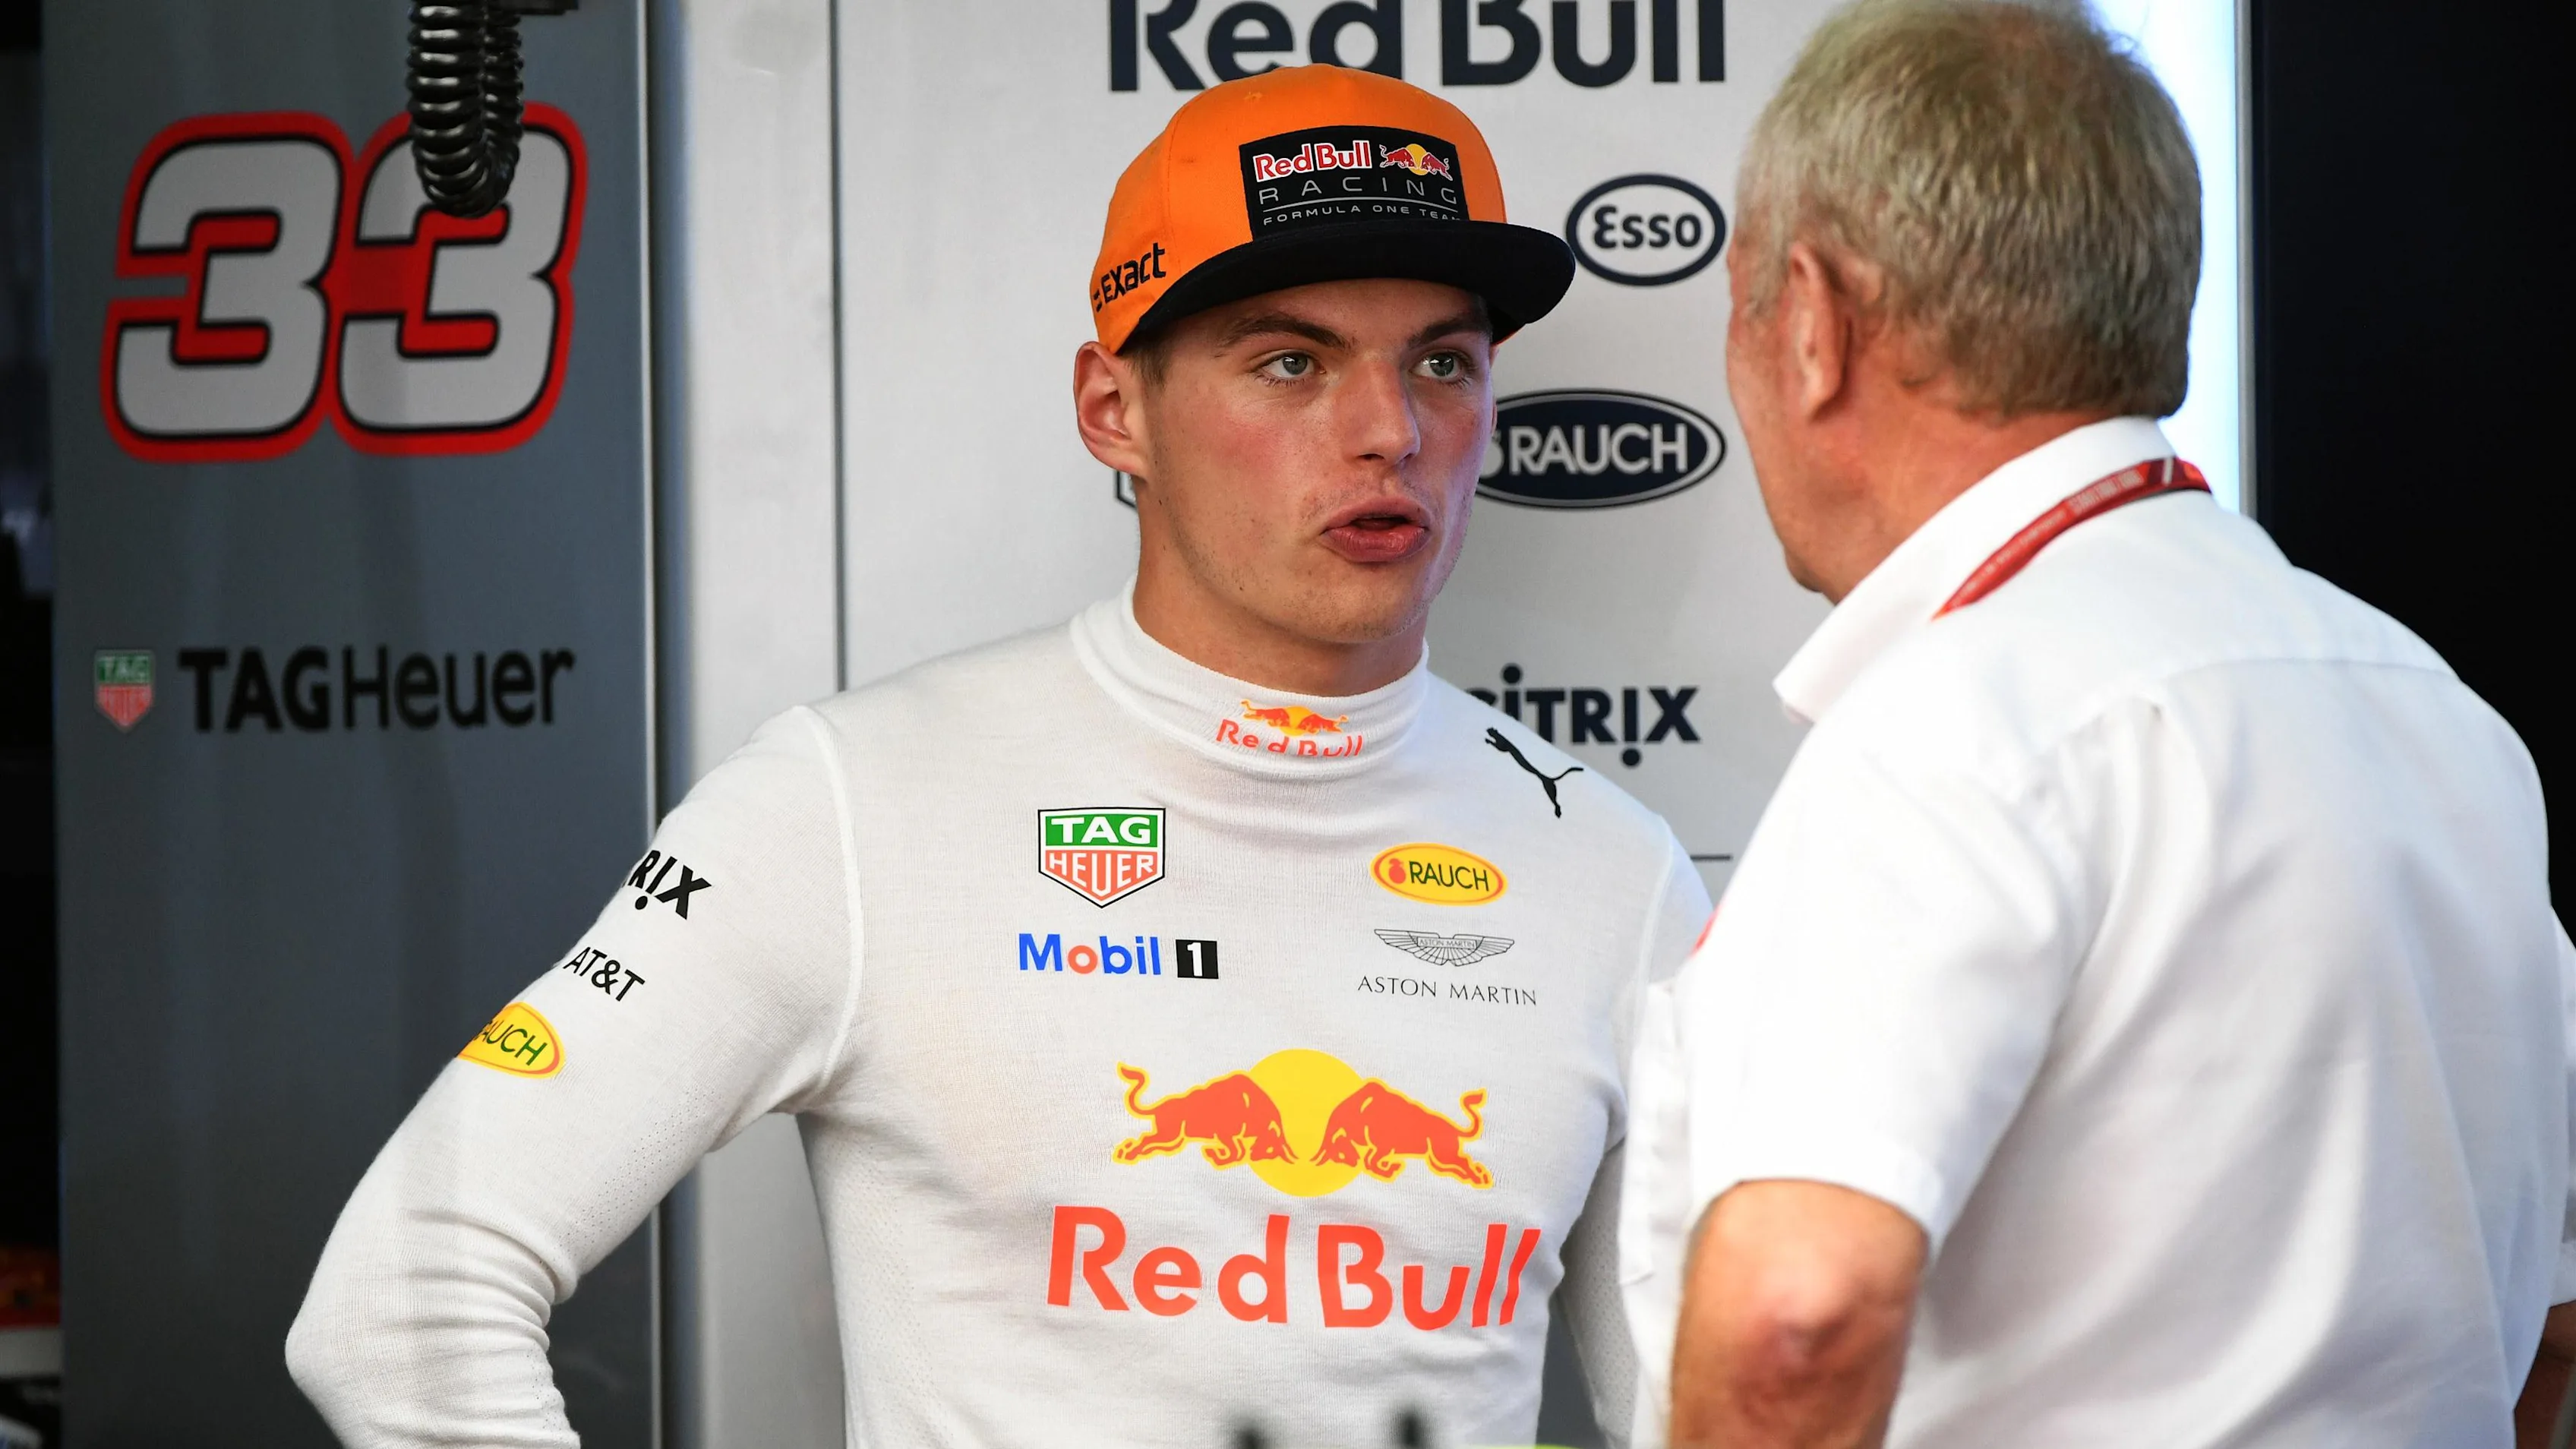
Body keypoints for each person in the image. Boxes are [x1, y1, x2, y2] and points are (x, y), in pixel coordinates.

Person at [287, 65, 1711, 1448]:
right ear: (1116, 410)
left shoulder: (1614, 875)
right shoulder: (852, 805)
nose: (1389, 432)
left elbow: (1718, 1416)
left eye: (1442, 363)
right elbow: (401, 1299)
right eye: (1291, 361)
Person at [1619, 2, 2575, 1446]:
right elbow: (2548, 1332)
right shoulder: (2439, 718)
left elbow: (1794, 1318)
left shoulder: (1956, 728)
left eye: (1742, 307)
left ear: (1810, 323)